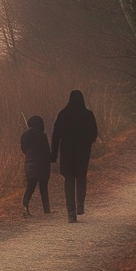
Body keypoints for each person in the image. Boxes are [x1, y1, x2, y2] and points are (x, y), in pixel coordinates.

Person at [50, 89, 98, 223]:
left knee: (69, 180)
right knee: (81, 177)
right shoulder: (88, 114)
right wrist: (87, 142)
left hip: (67, 153)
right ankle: (80, 204)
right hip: (82, 153)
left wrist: (53, 155)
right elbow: (94, 133)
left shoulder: (63, 114)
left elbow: (56, 135)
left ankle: (71, 212)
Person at [19, 115, 51, 217]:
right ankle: (46, 209)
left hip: (29, 165)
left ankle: (25, 208)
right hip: (42, 165)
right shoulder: (42, 135)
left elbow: (23, 149)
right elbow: (47, 150)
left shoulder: (24, 136)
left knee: (30, 188)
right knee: (43, 188)